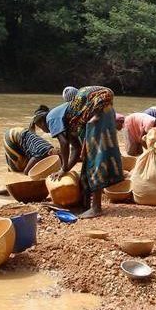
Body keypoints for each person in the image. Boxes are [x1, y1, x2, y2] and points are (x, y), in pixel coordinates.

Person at [32, 86, 123, 218]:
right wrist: (67, 168)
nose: (44, 131)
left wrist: (63, 168)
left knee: (95, 157)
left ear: (41, 121)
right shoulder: (69, 120)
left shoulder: (51, 118)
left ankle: (96, 208)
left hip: (98, 110)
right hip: (104, 110)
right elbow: (76, 149)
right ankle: (86, 204)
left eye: (40, 127)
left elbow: (63, 144)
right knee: (90, 156)